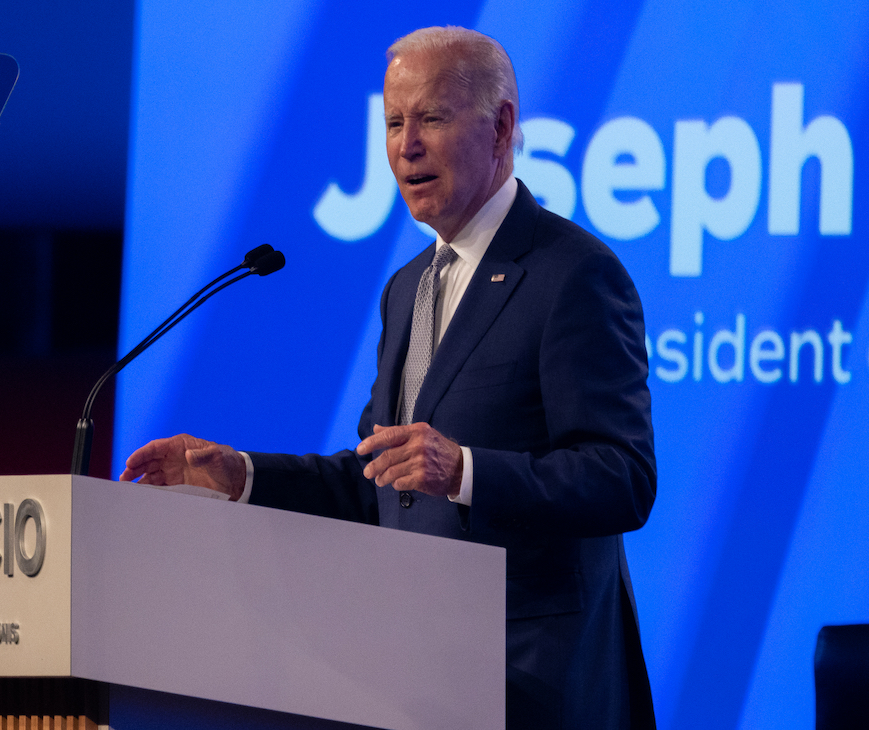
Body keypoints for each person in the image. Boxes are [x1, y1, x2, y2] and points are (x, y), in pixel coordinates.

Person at [122, 25, 656, 730]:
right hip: (415, 676)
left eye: (431, 118)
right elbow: (379, 478)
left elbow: (622, 477)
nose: (406, 146)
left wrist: (465, 470)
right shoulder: (408, 288)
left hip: (536, 683)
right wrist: (243, 475)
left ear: (501, 128)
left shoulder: (573, 274)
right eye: (394, 122)